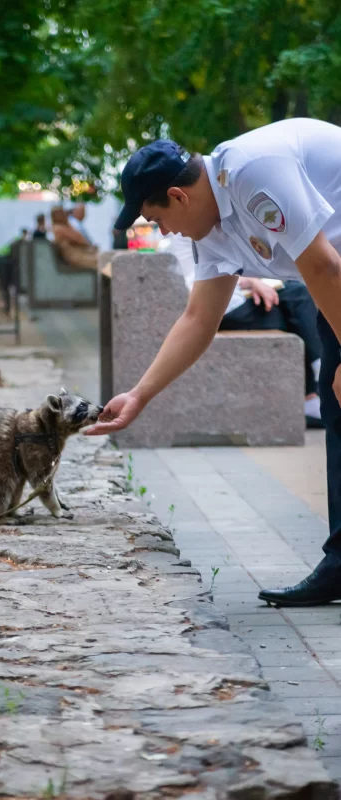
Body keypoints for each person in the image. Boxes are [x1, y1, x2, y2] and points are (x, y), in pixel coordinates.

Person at [85, 119, 341, 607]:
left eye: (157, 220)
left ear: (178, 196)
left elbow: (323, 266)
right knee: (338, 404)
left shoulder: (252, 171)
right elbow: (199, 318)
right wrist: (140, 395)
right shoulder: (212, 227)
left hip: (335, 270)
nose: (164, 231)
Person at [170, 233, 323, 427]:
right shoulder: (196, 228)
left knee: (294, 297)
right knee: (294, 307)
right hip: (222, 310)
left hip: (224, 303)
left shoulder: (187, 230)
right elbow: (222, 268)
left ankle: (313, 390)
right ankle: (319, 374)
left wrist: (252, 281)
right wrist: (253, 281)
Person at [50, 206, 98, 270]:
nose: (61, 215)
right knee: (100, 261)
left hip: (79, 251)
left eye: (62, 213)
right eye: (58, 214)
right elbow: (79, 239)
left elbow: (80, 238)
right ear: (53, 216)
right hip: (72, 254)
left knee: (103, 259)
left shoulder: (67, 225)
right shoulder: (57, 228)